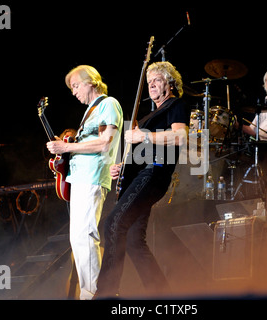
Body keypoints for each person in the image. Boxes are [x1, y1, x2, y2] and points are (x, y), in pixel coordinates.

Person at [94, 61, 190, 298]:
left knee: (114, 224)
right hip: (142, 173)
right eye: (149, 82)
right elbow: (142, 152)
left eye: (157, 80)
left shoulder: (176, 105)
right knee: (135, 241)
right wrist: (123, 167)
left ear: (170, 82)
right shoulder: (149, 115)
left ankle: (106, 294)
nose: (152, 85)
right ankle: (161, 295)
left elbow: (179, 136)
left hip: (155, 173)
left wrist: (142, 134)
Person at [46, 65, 123, 299]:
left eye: (76, 85)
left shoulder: (108, 104)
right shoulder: (90, 110)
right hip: (80, 178)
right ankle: (91, 291)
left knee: (85, 235)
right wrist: (65, 148)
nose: (73, 91)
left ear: (91, 81)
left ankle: (93, 294)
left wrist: (67, 147)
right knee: (78, 237)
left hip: (92, 178)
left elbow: (105, 143)